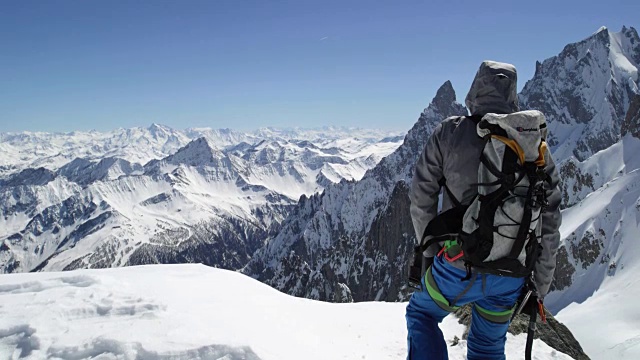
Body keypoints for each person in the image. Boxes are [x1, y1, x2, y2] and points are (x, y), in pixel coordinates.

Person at [406, 61, 562, 360]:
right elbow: (550, 220)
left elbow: (422, 194)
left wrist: (431, 252)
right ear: (512, 94)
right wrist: (538, 288)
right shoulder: (536, 149)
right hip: (511, 270)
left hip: (456, 264)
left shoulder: (450, 132)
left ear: (475, 87)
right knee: (487, 347)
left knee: (422, 316)